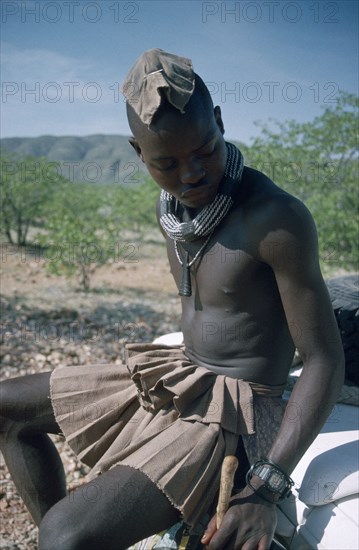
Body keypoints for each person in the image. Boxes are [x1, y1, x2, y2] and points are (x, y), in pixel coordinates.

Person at [0, 48, 344, 550]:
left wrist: (264, 490)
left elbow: (323, 360)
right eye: (167, 163)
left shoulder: (275, 220)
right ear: (139, 155)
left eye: (205, 150)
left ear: (221, 124)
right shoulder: (176, 209)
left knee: (64, 534)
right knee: (7, 408)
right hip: (182, 375)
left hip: (236, 409)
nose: (192, 175)